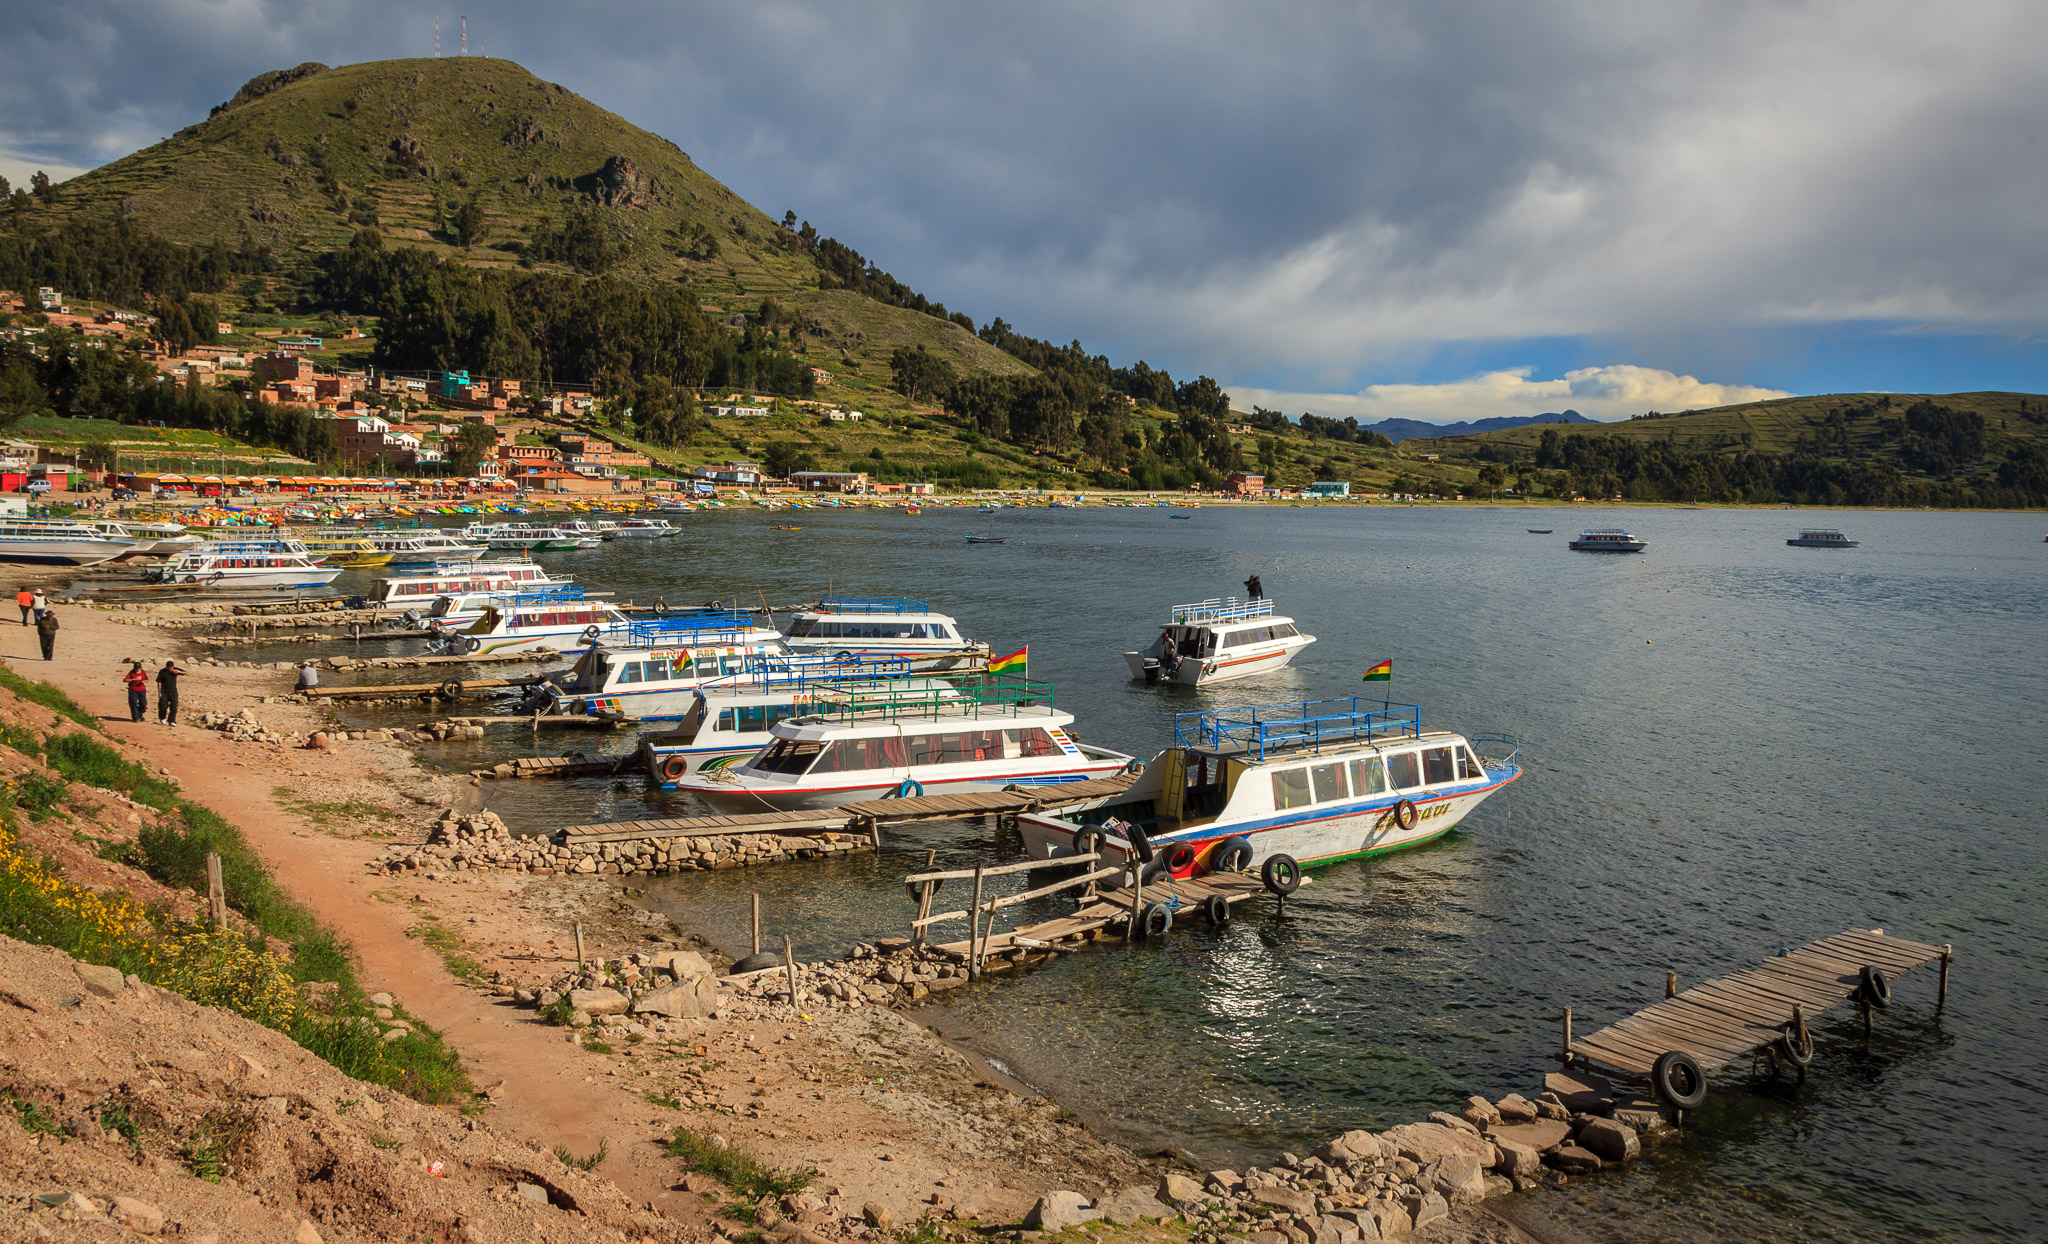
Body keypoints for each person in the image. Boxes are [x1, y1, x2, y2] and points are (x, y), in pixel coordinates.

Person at [156, 659, 188, 725]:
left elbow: (187, 673)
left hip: (173, 690)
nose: (170, 669)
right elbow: (159, 682)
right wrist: (159, 692)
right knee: (163, 705)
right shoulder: (162, 671)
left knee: (174, 705)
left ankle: (172, 720)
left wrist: (178, 672)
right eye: (169, 668)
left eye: (171, 668)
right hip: (164, 690)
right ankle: (162, 718)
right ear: (166, 667)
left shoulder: (175, 670)